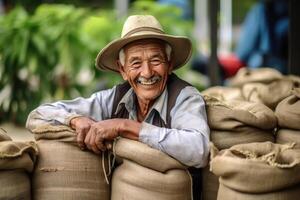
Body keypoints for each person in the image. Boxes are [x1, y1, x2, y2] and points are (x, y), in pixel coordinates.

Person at [26, 15, 210, 199]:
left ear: (169, 65)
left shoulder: (185, 97)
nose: (147, 73)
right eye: (136, 63)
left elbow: (199, 149)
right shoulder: (114, 98)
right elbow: (38, 115)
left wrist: (124, 126)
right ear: (122, 70)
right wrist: (74, 120)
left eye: (156, 61)